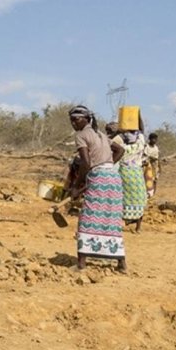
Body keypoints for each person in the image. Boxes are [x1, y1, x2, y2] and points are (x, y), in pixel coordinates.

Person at [68, 106, 126, 271]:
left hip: (99, 178)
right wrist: (107, 165)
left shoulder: (81, 135)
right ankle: (121, 264)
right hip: (114, 179)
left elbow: (86, 164)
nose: (73, 123)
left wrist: (76, 187)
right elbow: (120, 150)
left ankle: (81, 264)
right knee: (112, 220)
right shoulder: (99, 134)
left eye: (76, 119)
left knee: (87, 218)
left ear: (86, 118)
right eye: (71, 120)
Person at [113, 127, 148, 232]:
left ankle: (124, 222)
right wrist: (137, 116)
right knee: (140, 200)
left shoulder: (120, 147)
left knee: (121, 200)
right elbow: (141, 131)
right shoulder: (139, 145)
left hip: (124, 175)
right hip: (137, 176)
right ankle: (137, 226)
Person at [143, 133, 160, 198]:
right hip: (148, 166)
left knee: (155, 180)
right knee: (147, 180)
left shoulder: (156, 147)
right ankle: (146, 194)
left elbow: (158, 158)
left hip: (155, 166)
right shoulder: (146, 147)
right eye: (153, 139)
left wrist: (159, 167)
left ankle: (153, 195)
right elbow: (145, 156)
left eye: (155, 139)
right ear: (149, 139)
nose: (154, 140)